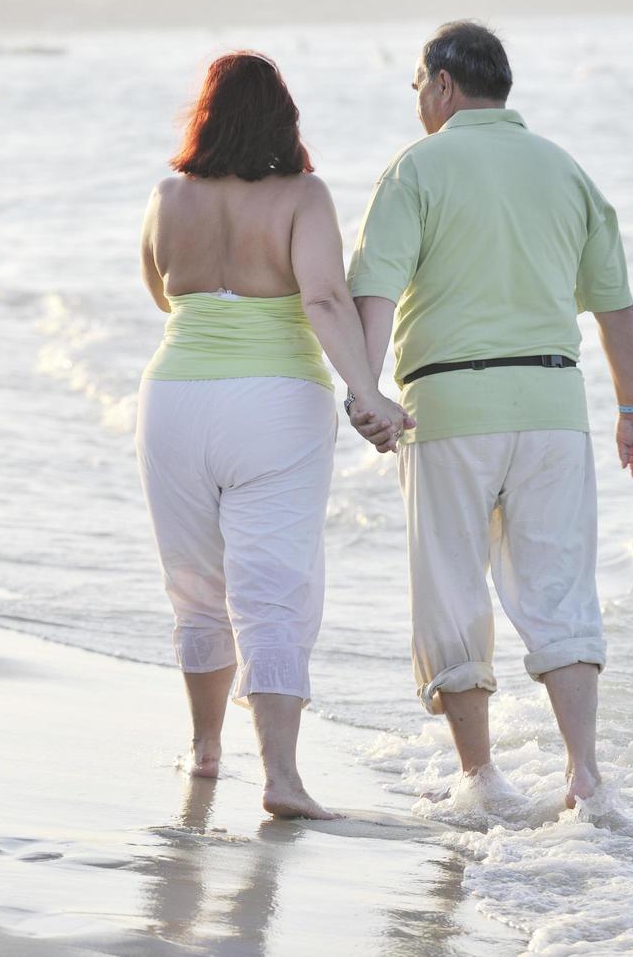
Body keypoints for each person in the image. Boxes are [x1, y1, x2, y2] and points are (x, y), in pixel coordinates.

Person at [346, 21, 633, 810]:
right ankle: (584, 776)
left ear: (445, 85)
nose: (418, 98)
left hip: (447, 409)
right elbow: (614, 305)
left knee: (452, 590)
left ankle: (481, 777)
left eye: (419, 83)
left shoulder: (415, 169)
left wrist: (369, 391)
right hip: (554, 408)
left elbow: (374, 294)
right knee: (560, 591)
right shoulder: (564, 169)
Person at [136, 51, 412, 820]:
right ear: (284, 117)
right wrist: (369, 395)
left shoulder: (167, 196)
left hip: (175, 399)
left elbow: (163, 294)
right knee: (272, 591)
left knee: (195, 588)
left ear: (205, 116)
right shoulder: (304, 195)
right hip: (276, 405)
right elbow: (324, 297)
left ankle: (206, 751)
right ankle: (282, 780)